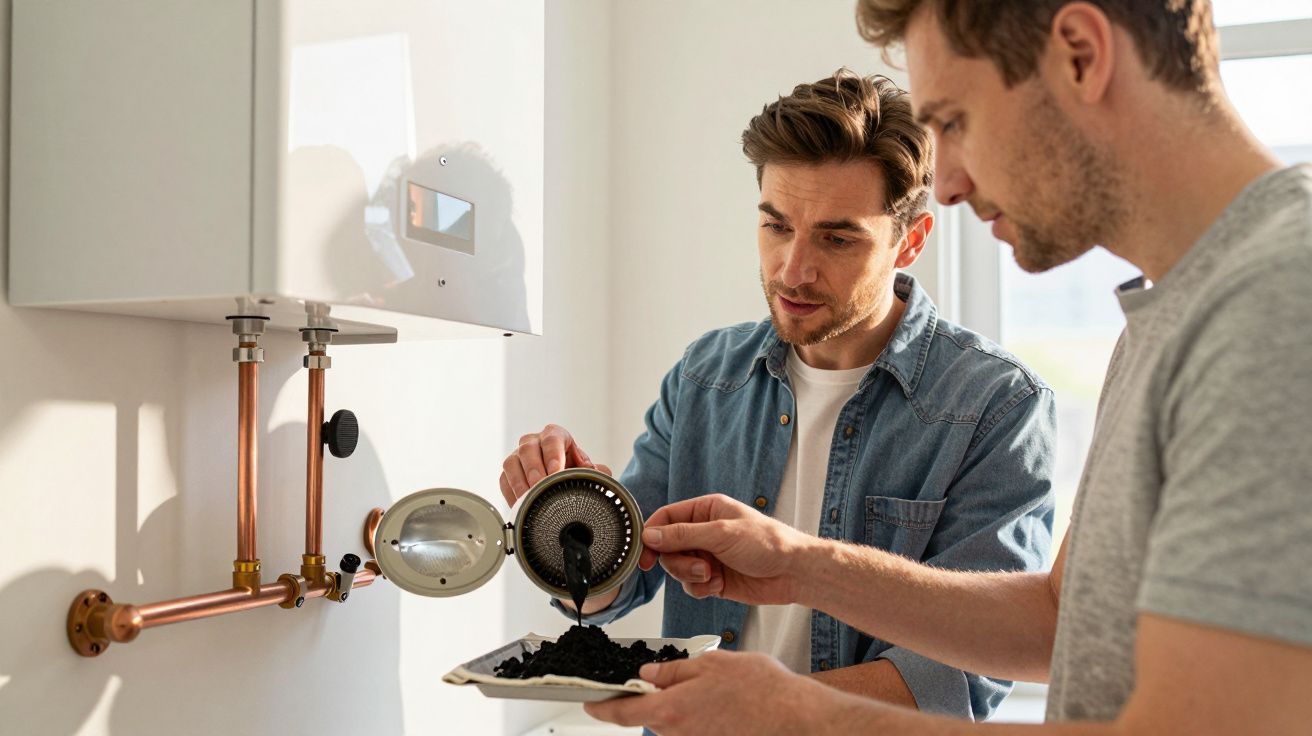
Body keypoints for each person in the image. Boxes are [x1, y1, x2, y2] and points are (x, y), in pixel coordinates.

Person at [583, 1, 1312, 734]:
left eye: (956, 120)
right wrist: (800, 565)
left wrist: (794, 715)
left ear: (1082, 55)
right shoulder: (1174, 310)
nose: (953, 182)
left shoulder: (1276, 302)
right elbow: (1059, 618)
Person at [500, 70, 1057, 719]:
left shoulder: (996, 404)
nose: (793, 270)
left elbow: (959, 679)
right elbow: (614, 587)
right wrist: (570, 509)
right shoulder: (706, 375)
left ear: (910, 240)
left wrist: (769, 711)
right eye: (776, 226)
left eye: (837, 238)